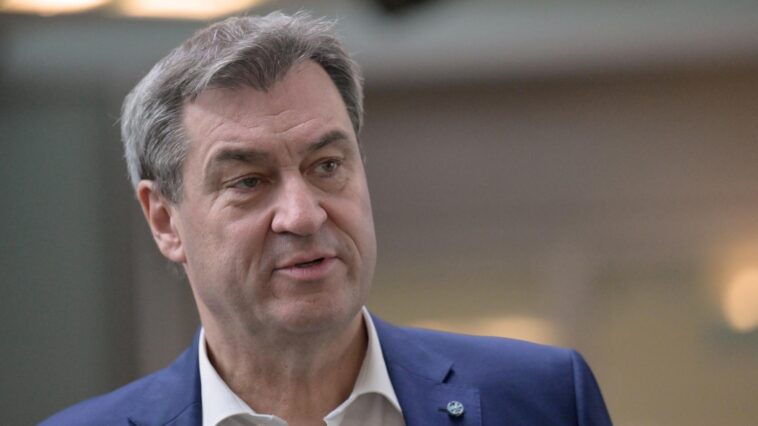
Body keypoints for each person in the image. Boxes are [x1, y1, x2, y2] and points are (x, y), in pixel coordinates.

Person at [42, 11, 612, 426]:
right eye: (248, 181)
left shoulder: (542, 400)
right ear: (165, 221)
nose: (303, 214)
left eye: (327, 166)